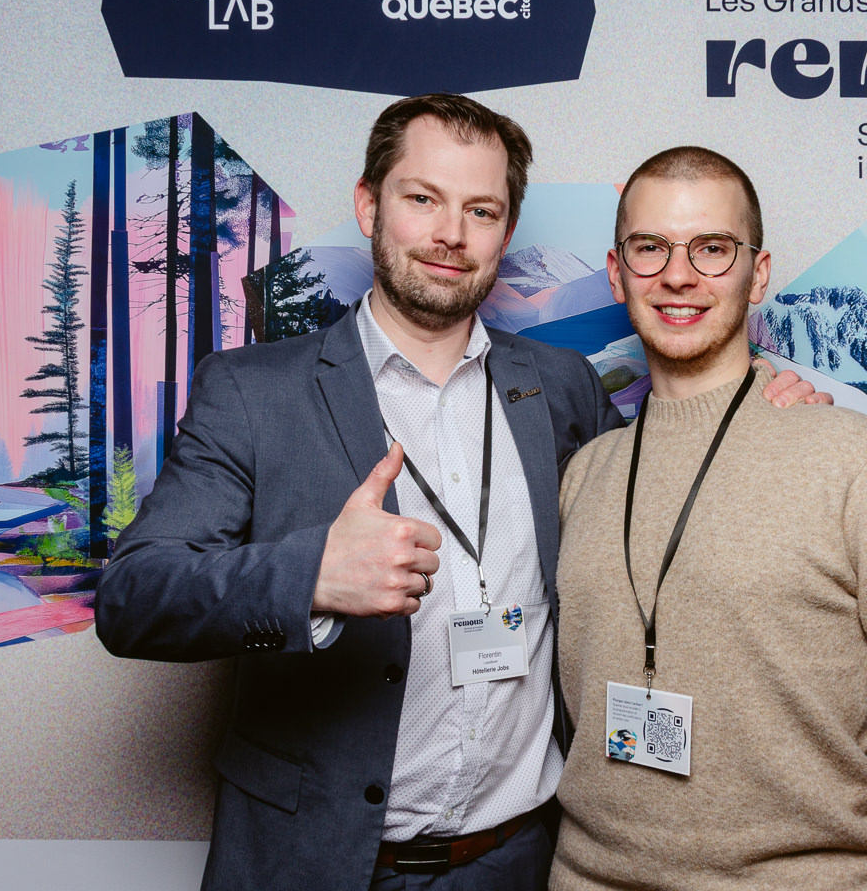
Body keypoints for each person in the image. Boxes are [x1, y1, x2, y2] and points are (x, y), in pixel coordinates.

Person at [94, 96, 828, 891]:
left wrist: (759, 415)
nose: (452, 233)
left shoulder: (560, 387)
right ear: (369, 206)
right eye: (423, 199)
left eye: (482, 210)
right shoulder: (253, 393)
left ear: (505, 234)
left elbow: (661, 496)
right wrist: (311, 578)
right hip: (318, 865)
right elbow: (134, 597)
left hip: (517, 862)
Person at [553, 146, 867, 891]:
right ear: (618, 273)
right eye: (650, 248)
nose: (679, 275)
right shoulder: (586, 474)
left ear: (758, 274)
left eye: (713, 248)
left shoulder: (855, 460)